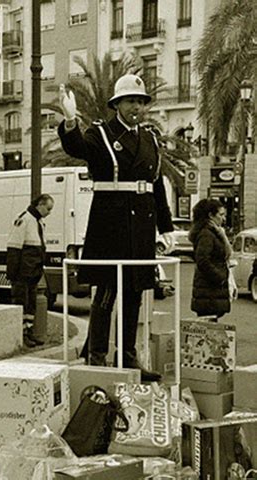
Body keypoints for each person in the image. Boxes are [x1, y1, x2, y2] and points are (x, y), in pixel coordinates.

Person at [58, 74, 174, 382]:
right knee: (106, 293)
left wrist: (166, 226)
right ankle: (97, 355)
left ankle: (128, 356)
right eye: (130, 101)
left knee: (134, 294)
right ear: (117, 104)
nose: (136, 106)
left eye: (140, 101)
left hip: (141, 226)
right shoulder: (101, 133)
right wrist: (70, 121)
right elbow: (78, 148)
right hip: (110, 223)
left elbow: (156, 186)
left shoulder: (150, 139)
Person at [6, 194, 54, 347]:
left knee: (31, 304)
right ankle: (22, 334)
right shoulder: (24, 220)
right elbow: (14, 247)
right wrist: (12, 273)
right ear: (40, 204)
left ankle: (29, 331)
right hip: (23, 272)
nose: (49, 212)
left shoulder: (38, 222)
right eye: (48, 208)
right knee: (21, 302)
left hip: (33, 271)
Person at [189, 198, 236, 320]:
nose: (224, 219)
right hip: (209, 290)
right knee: (209, 325)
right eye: (221, 215)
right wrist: (220, 278)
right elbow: (202, 260)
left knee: (211, 325)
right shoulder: (206, 234)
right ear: (210, 215)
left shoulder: (215, 233)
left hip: (211, 291)